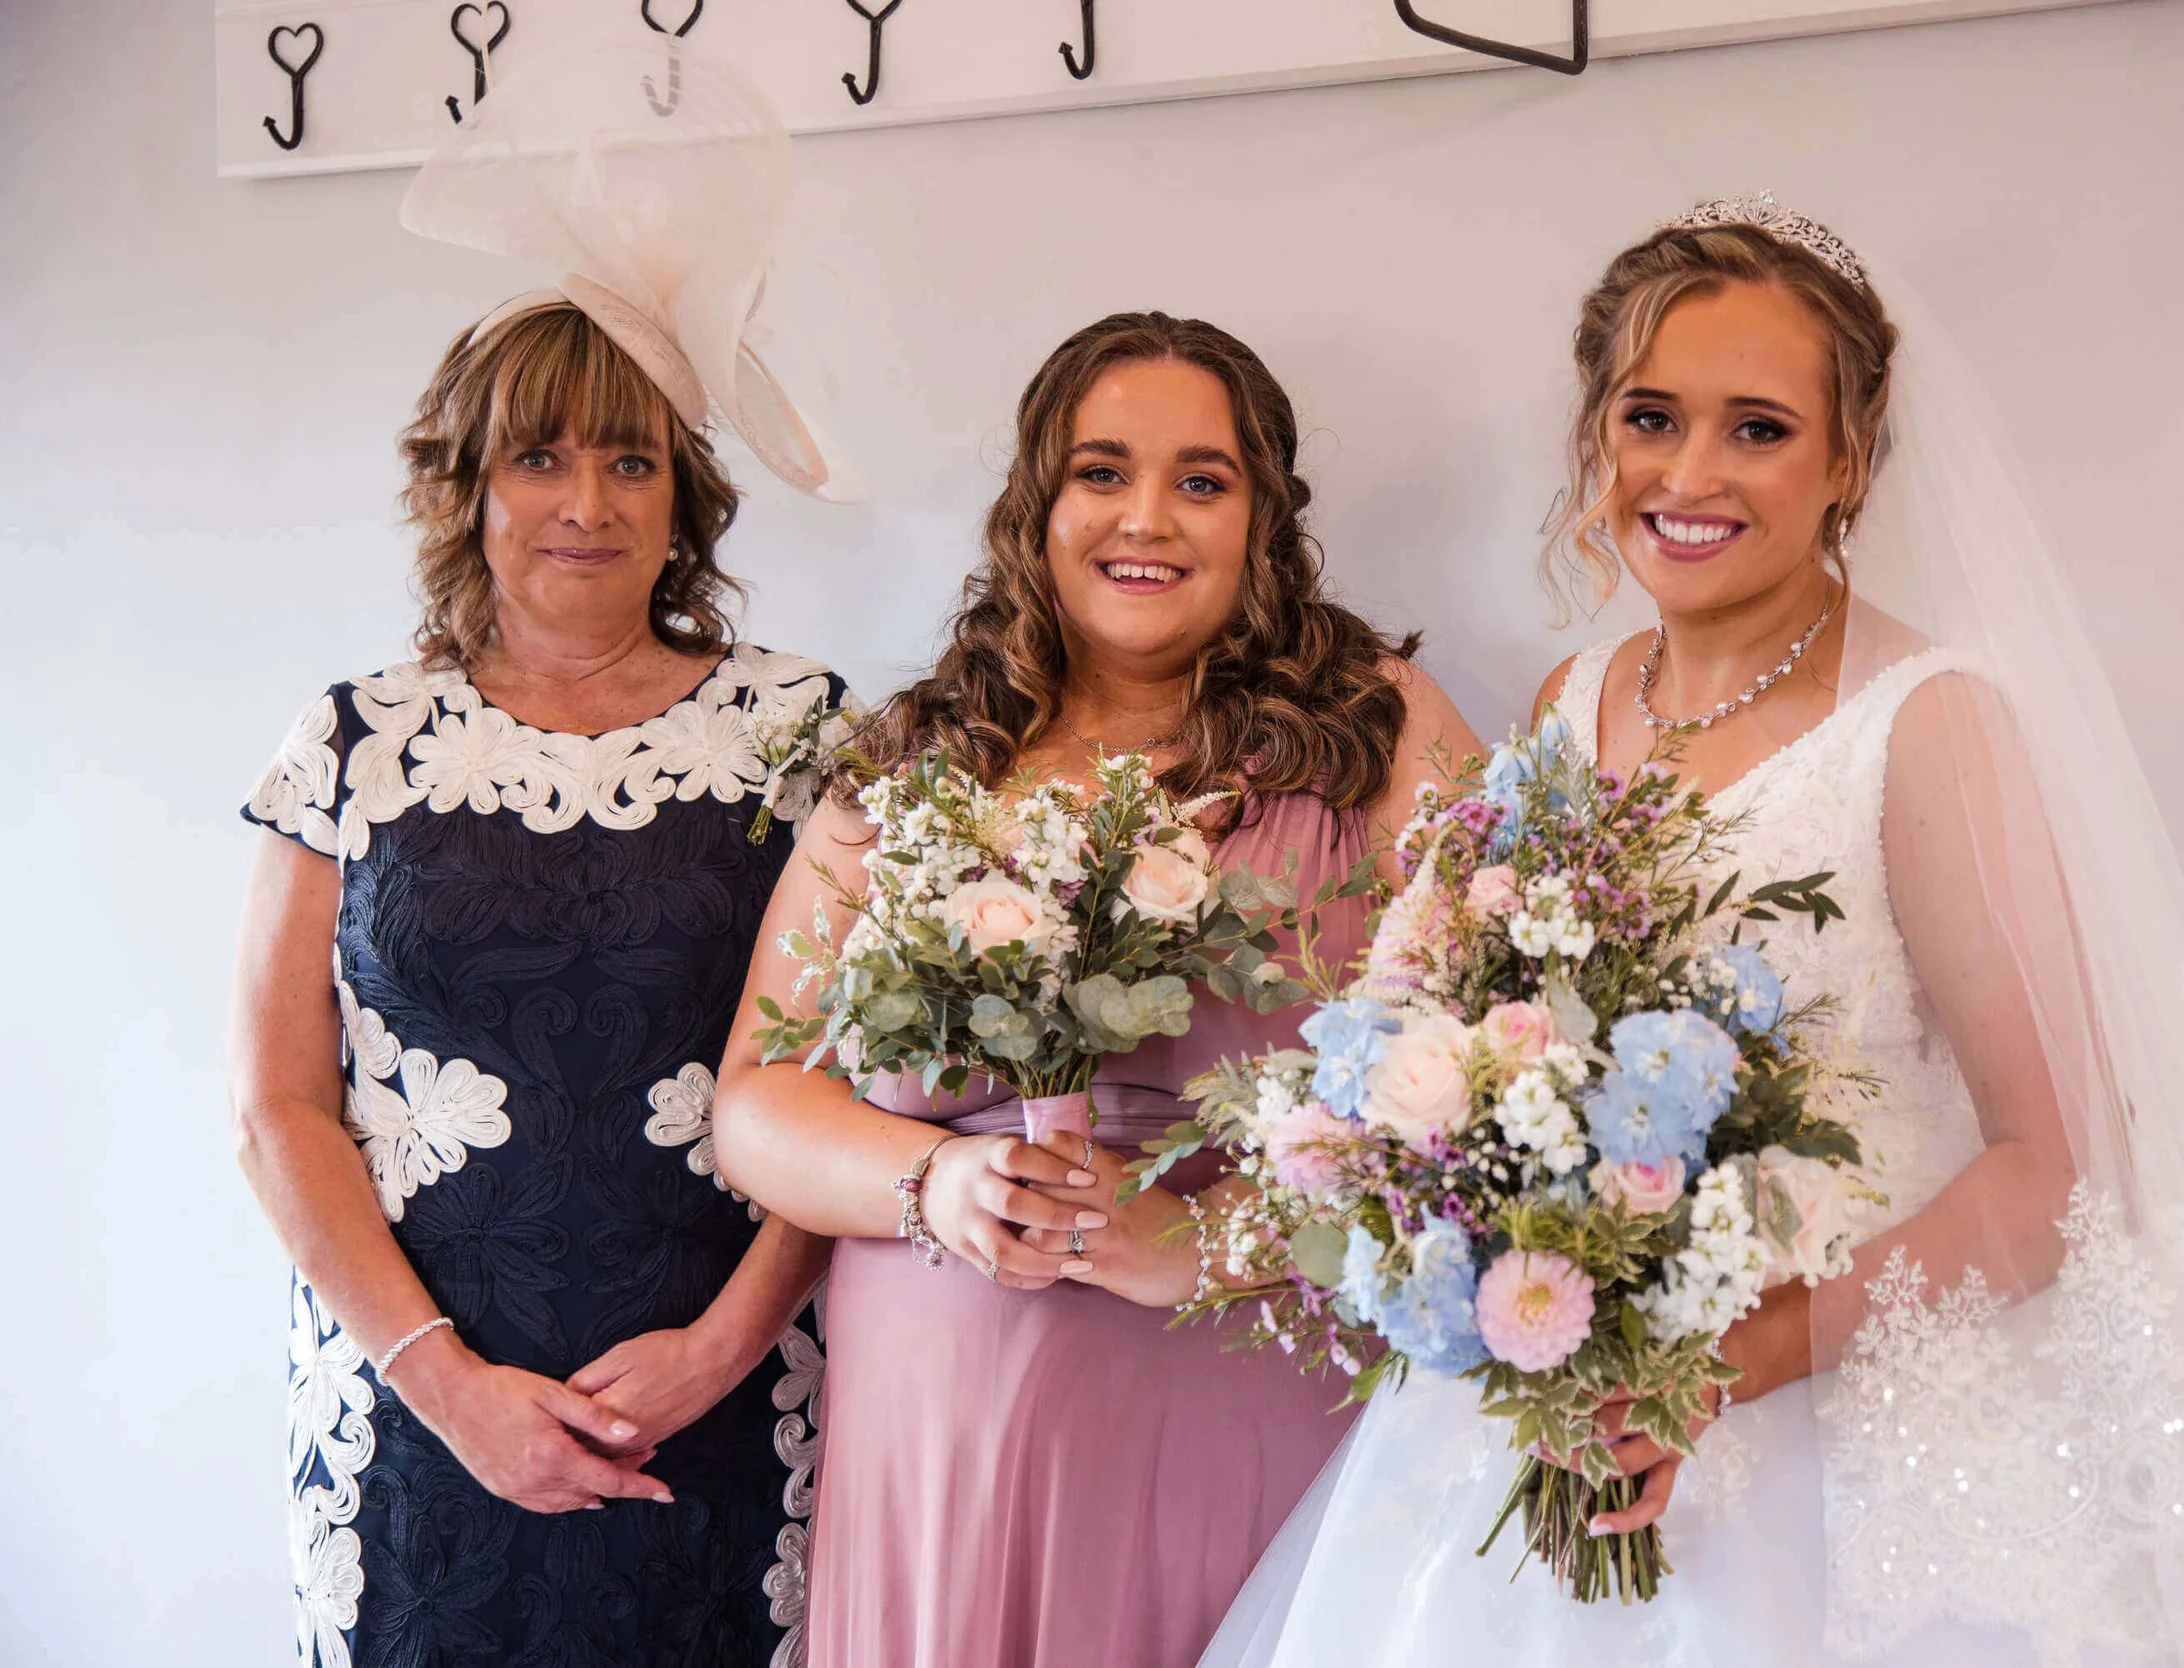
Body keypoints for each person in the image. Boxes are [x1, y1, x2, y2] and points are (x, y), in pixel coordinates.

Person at [1200, 197, 2184, 1666]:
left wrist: (1725, 1365)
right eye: (1650, 417)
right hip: (1553, 1422)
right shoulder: (1573, 700)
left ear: (1850, 462)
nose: (1690, 474)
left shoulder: (1927, 726)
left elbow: (2053, 1165)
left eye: (1757, 429)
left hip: (1839, 1462)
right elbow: (1457, 1018)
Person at [711, 310, 1479, 1668]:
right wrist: (935, 1184)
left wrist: (1206, 1244)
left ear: (1263, 517)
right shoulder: (916, 762)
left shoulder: (1380, 726)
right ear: (1038, 504)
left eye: (1203, 480)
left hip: (1246, 1383)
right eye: (1102, 472)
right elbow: (760, 1104)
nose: (1147, 519)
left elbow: (1489, 1078)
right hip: (943, 1428)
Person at [230, 40, 848, 1667]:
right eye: (541, 456)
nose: (589, 501)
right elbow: (279, 1108)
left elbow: (850, 1085)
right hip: (412, 1420)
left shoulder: (804, 735)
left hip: (729, 1403)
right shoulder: (349, 741)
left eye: (631, 459)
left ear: (685, 495)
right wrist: (444, 1387)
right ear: (468, 482)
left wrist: (725, 1350)